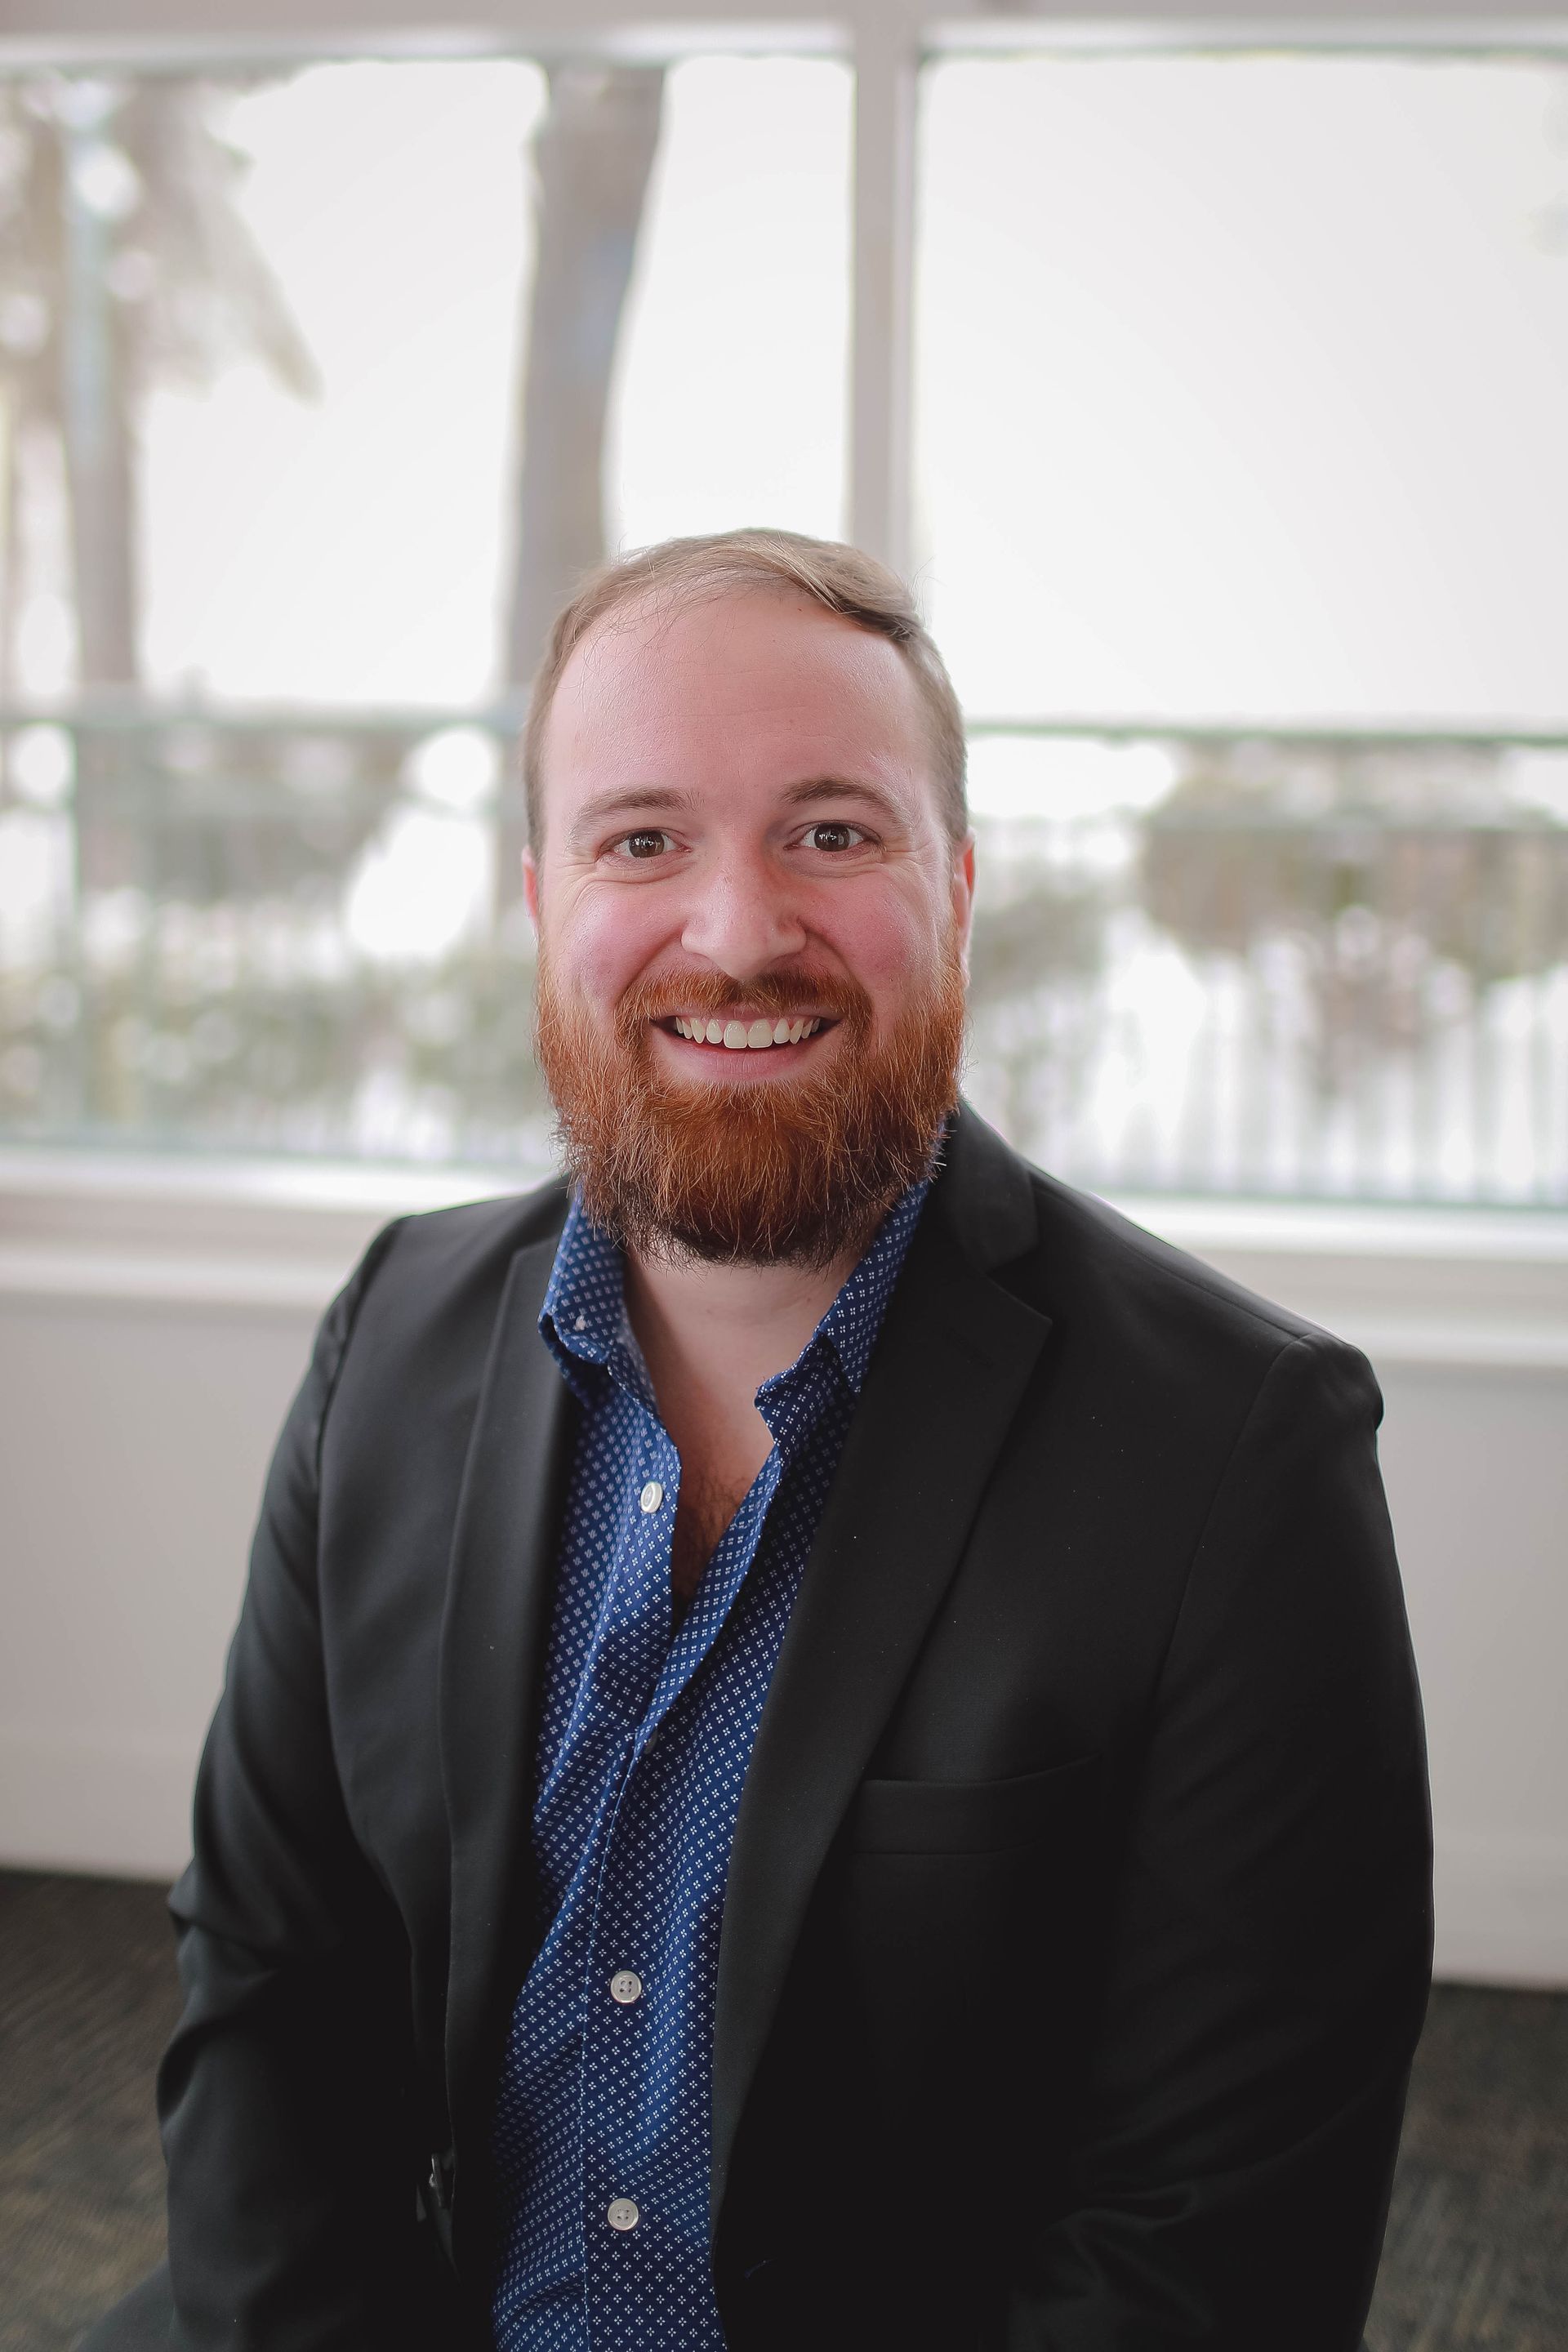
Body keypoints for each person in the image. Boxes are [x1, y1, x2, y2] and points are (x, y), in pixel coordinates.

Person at [87, 529, 1432, 2352]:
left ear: (955, 883)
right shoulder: (391, 1338)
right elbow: (271, 1985)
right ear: (541, 897)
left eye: (832, 831)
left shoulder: (1234, 1456)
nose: (736, 928)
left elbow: (1208, 2245)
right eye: (642, 839)